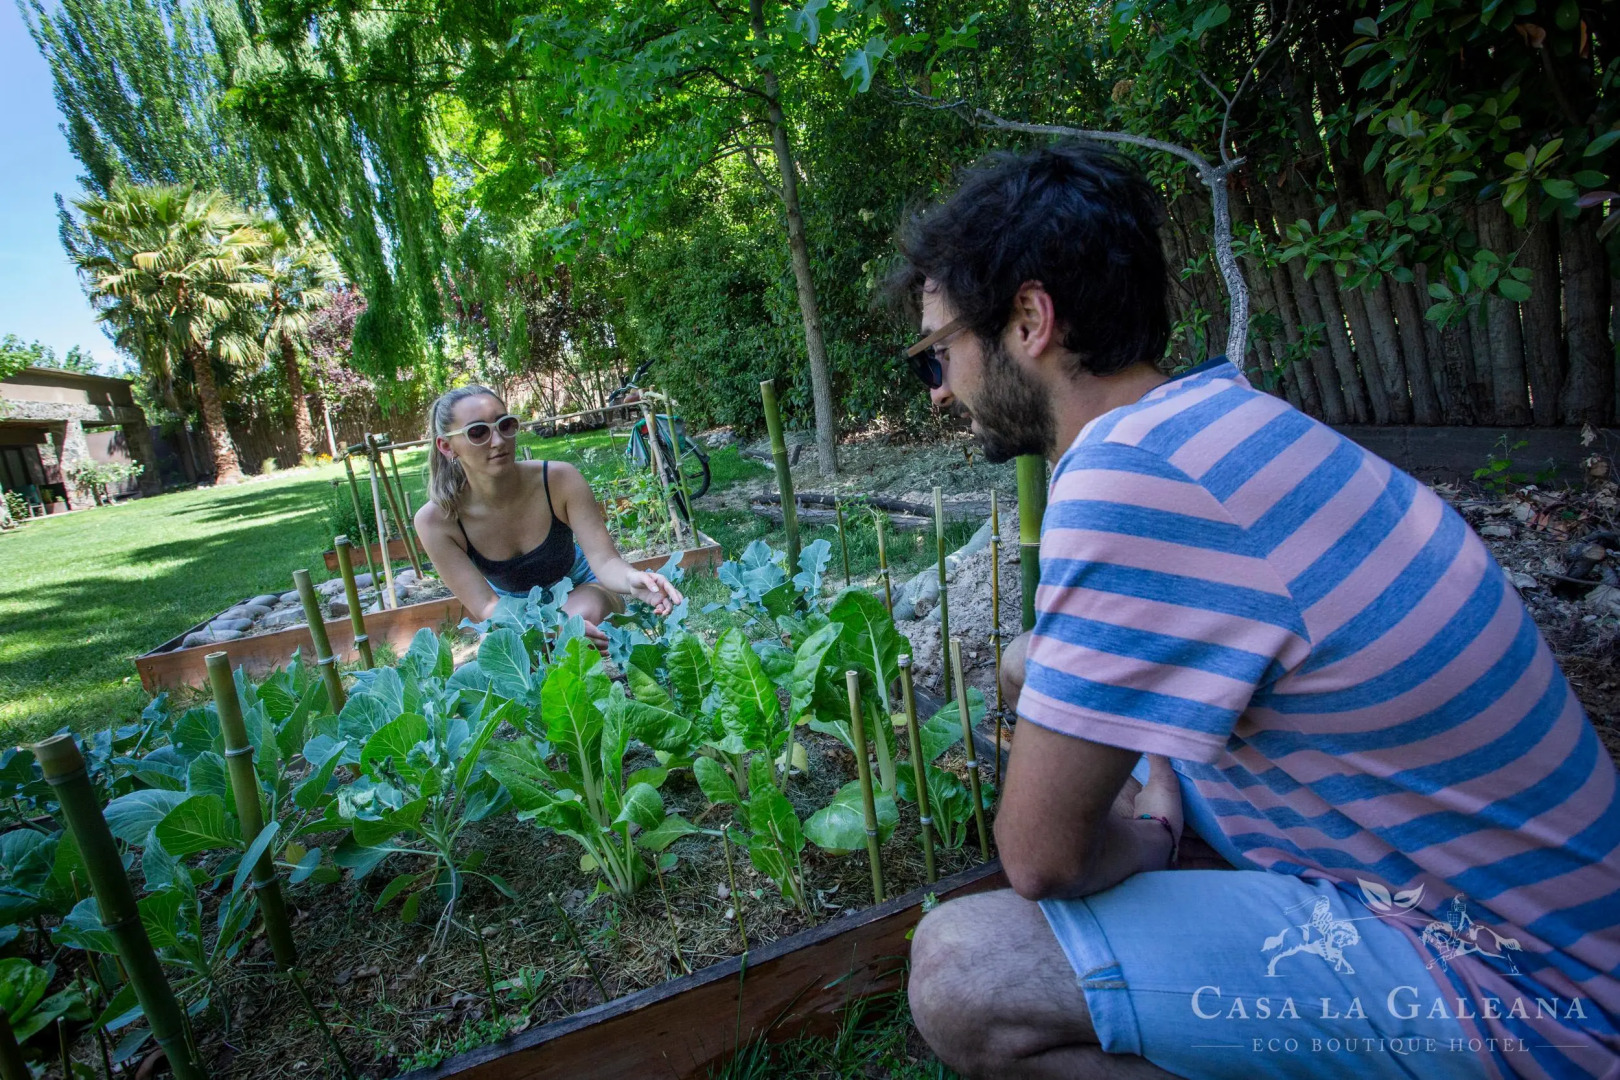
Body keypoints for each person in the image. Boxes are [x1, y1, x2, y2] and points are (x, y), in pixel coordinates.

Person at [887, 144, 1619, 1080]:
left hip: (1530, 1000)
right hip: (1550, 930)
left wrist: (1152, 833)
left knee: (964, 970)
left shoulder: (1125, 478)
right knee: (1034, 665)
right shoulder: (1221, 420)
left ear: (1029, 320)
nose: (940, 390)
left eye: (936, 355)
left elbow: (1041, 860)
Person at [414, 385, 682, 644]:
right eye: (478, 432)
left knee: (583, 616)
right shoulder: (436, 521)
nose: (498, 441)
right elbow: (486, 606)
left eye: (505, 425)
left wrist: (632, 580)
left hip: (581, 587)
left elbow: (604, 560)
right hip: (513, 610)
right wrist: (551, 628)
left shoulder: (558, 480)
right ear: (447, 446)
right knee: (497, 642)